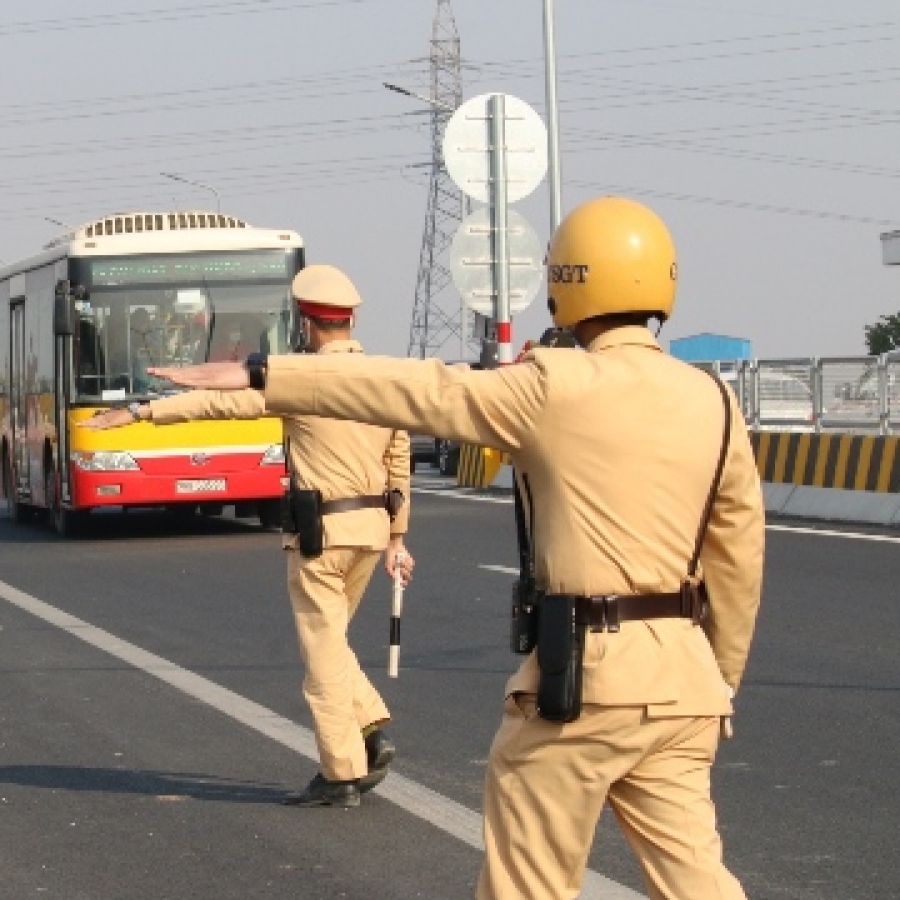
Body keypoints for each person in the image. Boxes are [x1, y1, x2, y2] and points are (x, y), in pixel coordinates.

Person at [146, 197, 765, 899]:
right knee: (698, 883)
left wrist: (267, 372)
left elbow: (419, 391)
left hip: (585, 686)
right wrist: (719, 681)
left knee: (527, 885)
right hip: (686, 690)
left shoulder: (550, 387)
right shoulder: (713, 400)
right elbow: (738, 562)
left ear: (565, 283)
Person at [83, 264, 415, 809]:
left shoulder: (302, 380)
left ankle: (342, 774)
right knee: (331, 643)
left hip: (321, 536)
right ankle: (370, 731)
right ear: (351, 320)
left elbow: (220, 402)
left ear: (306, 324)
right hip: (372, 533)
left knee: (321, 660)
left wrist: (143, 410)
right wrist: (398, 538)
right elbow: (398, 456)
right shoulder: (384, 379)